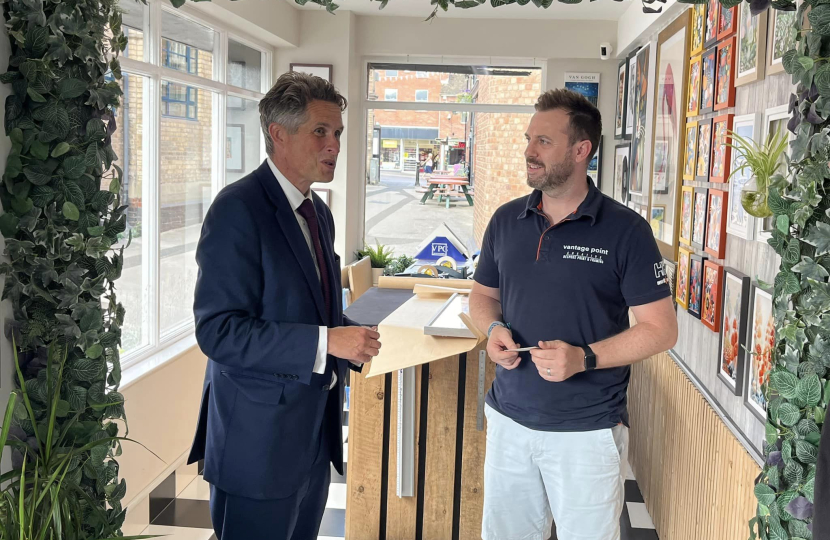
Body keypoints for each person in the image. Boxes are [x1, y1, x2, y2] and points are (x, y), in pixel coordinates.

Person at [469, 88, 678, 540]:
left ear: (581, 150)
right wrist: (493, 328)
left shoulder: (628, 232)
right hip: (509, 422)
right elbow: (481, 296)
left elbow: (661, 331)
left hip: (587, 433)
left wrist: (584, 358)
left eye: (543, 141)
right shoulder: (505, 220)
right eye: (529, 138)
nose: (528, 151)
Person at [187, 72, 382, 540]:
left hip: (312, 439)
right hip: (256, 443)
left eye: (336, 132)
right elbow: (218, 331)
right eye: (320, 131)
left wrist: (351, 335)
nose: (333, 143)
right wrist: (327, 340)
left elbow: (309, 310)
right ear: (278, 133)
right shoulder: (238, 208)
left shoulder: (319, 213)